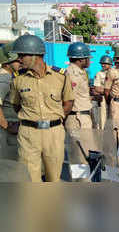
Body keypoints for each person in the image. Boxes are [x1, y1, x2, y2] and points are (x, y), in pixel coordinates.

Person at [10, 35, 74, 182]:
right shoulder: (18, 79)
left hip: (54, 133)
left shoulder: (61, 76)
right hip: (28, 134)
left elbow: (68, 103)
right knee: (29, 179)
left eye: (22, 55)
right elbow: (16, 105)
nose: (19, 59)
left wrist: (54, 119)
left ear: (35, 56)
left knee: (54, 178)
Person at [64, 42, 97, 170]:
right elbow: (68, 98)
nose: (89, 60)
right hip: (77, 118)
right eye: (88, 58)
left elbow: (80, 95)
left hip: (84, 117)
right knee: (79, 158)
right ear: (81, 59)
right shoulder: (72, 74)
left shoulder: (81, 72)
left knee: (88, 154)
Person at [0, 44, 21, 160]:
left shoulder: (10, 77)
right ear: (8, 63)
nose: (20, 63)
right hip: (9, 132)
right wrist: (6, 125)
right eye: (17, 61)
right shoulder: (4, 79)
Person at [93, 55, 113, 130]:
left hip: (115, 98)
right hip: (104, 97)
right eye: (102, 63)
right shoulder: (99, 74)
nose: (102, 65)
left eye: (105, 63)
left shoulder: (115, 72)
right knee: (103, 117)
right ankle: (103, 132)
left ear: (110, 64)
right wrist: (108, 91)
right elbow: (97, 88)